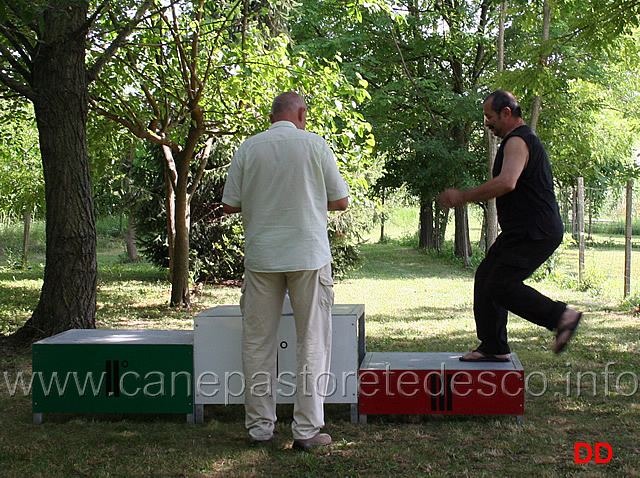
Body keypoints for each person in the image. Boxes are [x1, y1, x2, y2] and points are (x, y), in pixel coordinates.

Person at [222, 92, 349, 449]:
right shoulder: (315, 145)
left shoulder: (248, 148)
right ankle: (307, 431)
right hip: (308, 255)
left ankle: (260, 428)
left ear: (272, 115)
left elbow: (230, 203)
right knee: (312, 342)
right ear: (301, 114)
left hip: (262, 256)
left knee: (257, 343)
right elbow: (340, 201)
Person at [437, 90, 582, 362]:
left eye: (490, 117)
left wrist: (463, 196)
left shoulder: (518, 140)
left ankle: (562, 316)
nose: (487, 123)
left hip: (535, 230)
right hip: (525, 230)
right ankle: (493, 345)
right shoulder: (518, 140)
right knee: (486, 277)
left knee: (501, 283)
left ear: (507, 113)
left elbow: (507, 182)